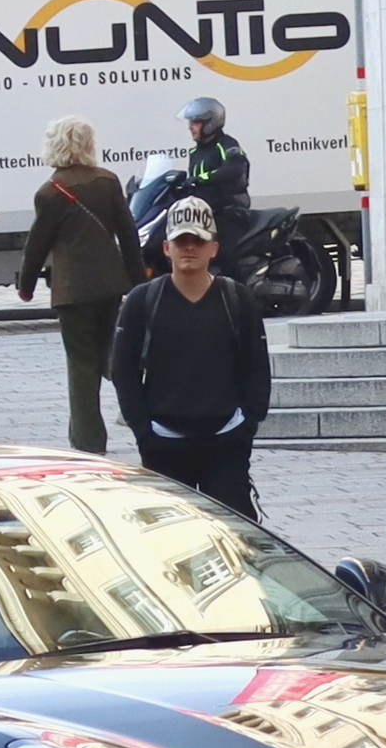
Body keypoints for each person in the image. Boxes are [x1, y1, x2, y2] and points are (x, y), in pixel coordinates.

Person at [110, 198, 271, 518]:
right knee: (169, 541)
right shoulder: (143, 302)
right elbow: (123, 371)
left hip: (226, 443)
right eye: (181, 240)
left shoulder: (237, 299)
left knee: (236, 538)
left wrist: (247, 424)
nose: (189, 248)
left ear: (213, 248)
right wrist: (144, 431)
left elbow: (257, 367)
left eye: (198, 240)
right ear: (167, 248)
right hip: (163, 445)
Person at [17, 116, 142, 453]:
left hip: (73, 293)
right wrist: (139, 281)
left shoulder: (50, 192)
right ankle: (145, 415)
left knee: (82, 367)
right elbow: (128, 235)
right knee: (112, 359)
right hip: (110, 286)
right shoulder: (108, 181)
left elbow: (37, 244)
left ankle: (88, 442)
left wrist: (26, 285)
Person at [178, 97, 250, 222]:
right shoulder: (196, 152)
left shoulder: (227, 144)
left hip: (229, 211)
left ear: (209, 123)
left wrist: (201, 178)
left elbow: (234, 169)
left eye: (195, 122)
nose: (190, 127)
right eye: (190, 123)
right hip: (202, 213)